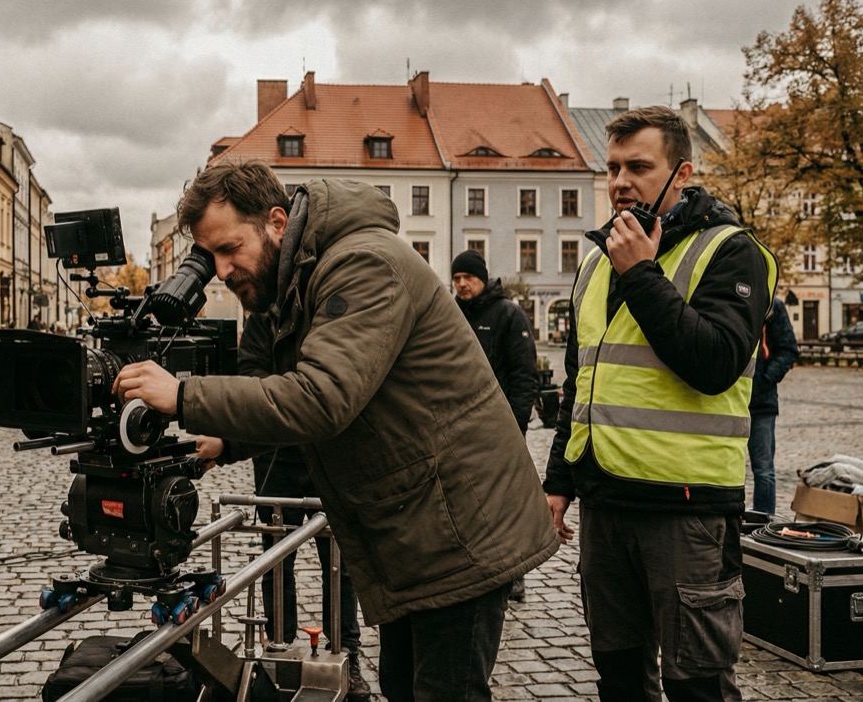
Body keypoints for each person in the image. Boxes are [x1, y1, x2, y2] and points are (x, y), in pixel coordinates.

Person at [114, 158, 559, 702]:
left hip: (458, 528)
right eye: (210, 257)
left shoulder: (362, 263)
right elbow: (302, 389)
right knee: (403, 685)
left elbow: (321, 398)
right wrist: (228, 440)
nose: (223, 270)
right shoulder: (300, 277)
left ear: (277, 222)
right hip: (419, 527)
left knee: (445, 691)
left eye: (230, 249)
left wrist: (184, 397)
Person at [543, 106, 776, 702]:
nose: (621, 181)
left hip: (686, 509)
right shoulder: (596, 261)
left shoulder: (730, 251)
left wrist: (643, 274)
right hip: (606, 504)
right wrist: (560, 483)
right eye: (614, 166)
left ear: (682, 173)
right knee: (619, 677)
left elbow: (715, 363)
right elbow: (582, 382)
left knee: (697, 684)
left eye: (639, 167)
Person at [236, 313, 367, 698]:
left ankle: (347, 651)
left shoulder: (326, 305)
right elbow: (250, 376)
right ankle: (278, 646)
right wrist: (297, 394)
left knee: (339, 562)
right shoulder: (265, 315)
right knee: (276, 560)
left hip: (331, 453)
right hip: (277, 455)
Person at [451, 248, 539, 602]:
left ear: (482, 278)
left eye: (467, 278)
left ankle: (515, 574)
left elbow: (523, 375)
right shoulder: (452, 313)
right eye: (456, 279)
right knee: (467, 503)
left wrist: (516, 425)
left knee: (505, 505)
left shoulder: (508, 314)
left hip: (500, 427)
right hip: (460, 429)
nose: (461, 285)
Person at [747, 296, 798, 514]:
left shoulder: (772, 306)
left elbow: (789, 350)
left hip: (761, 401)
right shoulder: (733, 296)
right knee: (725, 466)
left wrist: (766, 378)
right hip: (729, 400)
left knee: (763, 469)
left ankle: (763, 520)